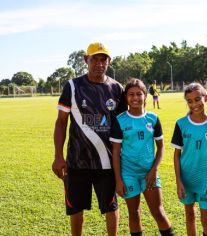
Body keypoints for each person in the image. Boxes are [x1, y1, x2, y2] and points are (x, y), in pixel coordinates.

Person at [52, 42, 127, 236]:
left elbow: (123, 127)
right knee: (76, 208)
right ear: (87, 60)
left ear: (109, 62)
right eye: (95, 59)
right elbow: (61, 123)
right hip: (77, 161)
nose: (99, 63)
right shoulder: (73, 86)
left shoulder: (117, 89)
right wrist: (58, 156)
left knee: (111, 206)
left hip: (107, 162)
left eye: (104, 59)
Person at [110, 78, 173, 236]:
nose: (135, 98)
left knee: (158, 211)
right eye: (131, 94)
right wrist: (118, 180)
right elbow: (116, 152)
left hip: (149, 174)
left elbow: (160, 147)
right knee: (134, 213)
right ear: (126, 97)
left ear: (145, 95)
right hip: (128, 174)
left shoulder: (153, 119)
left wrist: (153, 170)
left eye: (139, 94)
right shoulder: (120, 120)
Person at [171, 83, 207, 236]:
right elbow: (177, 155)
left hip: (205, 181)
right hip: (186, 180)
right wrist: (179, 182)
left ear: (205, 98)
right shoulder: (181, 124)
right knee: (189, 215)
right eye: (190, 101)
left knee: (206, 219)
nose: (194, 104)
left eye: (197, 99)